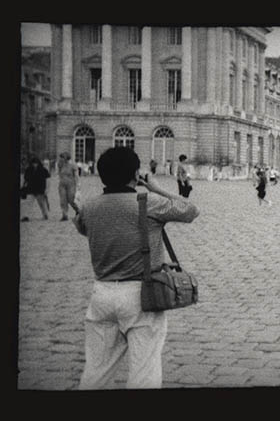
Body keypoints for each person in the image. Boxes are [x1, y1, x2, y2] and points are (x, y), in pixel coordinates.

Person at [73, 146, 199, 388]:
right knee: (144, 372)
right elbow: (191, 210)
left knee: (96, 373)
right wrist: (156, 188)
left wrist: (79, 207)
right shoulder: (148, 202)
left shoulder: (91, 207)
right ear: (136, 174)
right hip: (142, 296)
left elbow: (81, 226)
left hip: (102, 295)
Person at [21, 157, 51, 221]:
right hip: (30, 189)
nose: (35, 165)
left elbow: (48, 180)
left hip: (40, 190)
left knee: (42, 204)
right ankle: (26, 216)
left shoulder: (43, 170)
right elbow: (25, 179)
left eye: (36, 163)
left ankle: (45, 215)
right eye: (33, 163)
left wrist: (47, 189)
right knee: (28, 203)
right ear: (31, 163)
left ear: (38, 163)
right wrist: (23, 186)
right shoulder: (28, 170)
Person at [57, 152, 79, 221]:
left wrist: (78, 184)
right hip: (62, 184)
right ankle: (65, 215)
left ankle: (78, 210)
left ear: (66, 158)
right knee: (63, 200)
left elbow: (76, 176)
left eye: (62, 157)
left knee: (71, 200)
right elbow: (59, 173)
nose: (61, 159)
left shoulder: (73, 165)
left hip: (71, 184)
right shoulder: (60, 165)